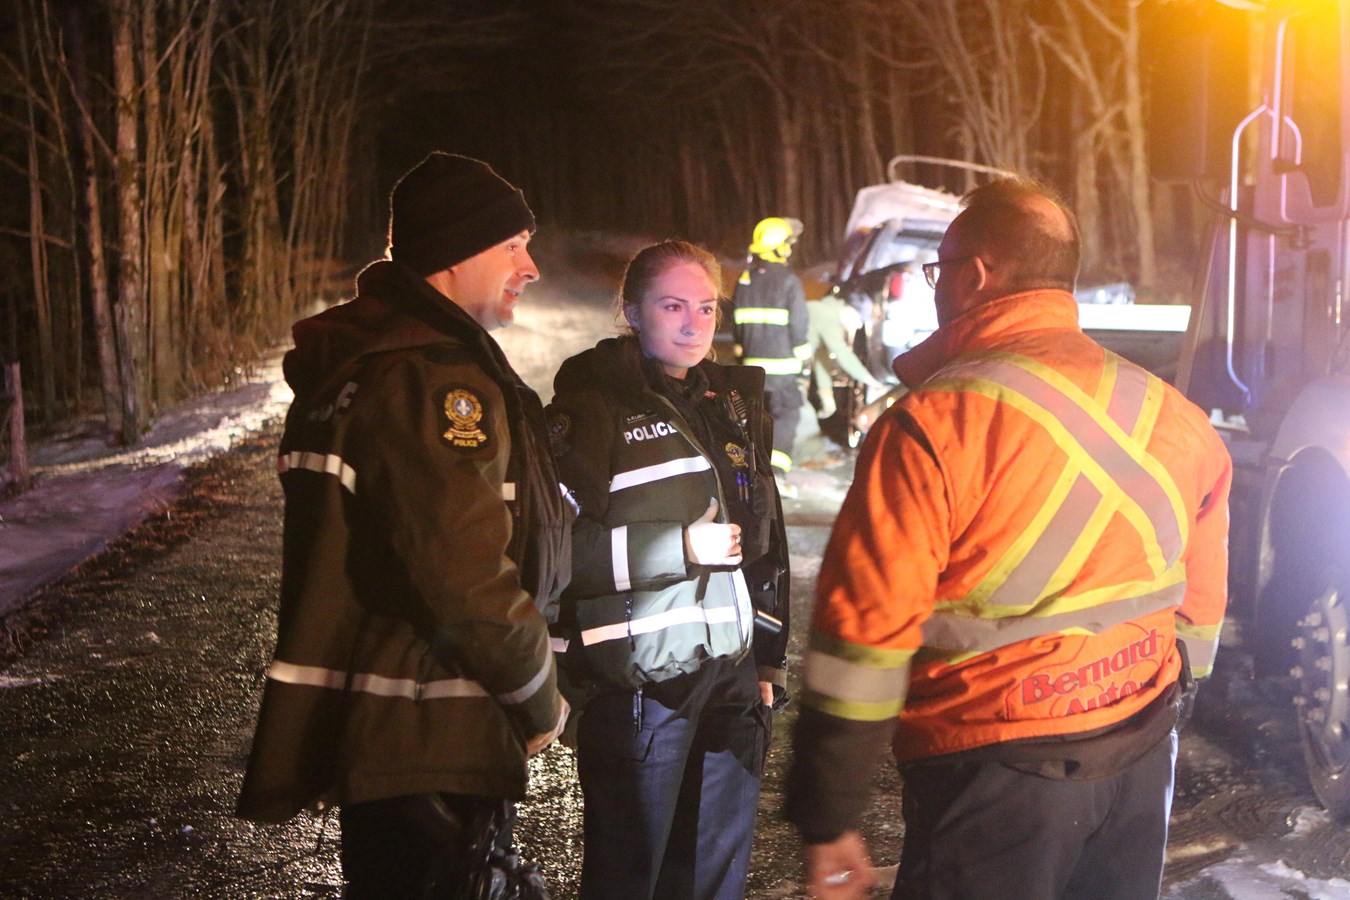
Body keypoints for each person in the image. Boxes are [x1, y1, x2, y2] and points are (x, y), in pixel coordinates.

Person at [785, 177, 1232, 900]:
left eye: (939, 271)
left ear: (975, 275)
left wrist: (829, 813)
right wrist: (1171, 682)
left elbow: (862, 639)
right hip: (1139, 750)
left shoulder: (932, 425)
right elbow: (1201, 587)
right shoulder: (1172, 411)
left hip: (995, 771)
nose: (938, 287)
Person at [236, 152, 570, 897]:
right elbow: (463, 571)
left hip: (396, 741)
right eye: (514, 244)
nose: (532, 266)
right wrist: (537, 693)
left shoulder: (374, 362)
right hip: (430, 737)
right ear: (457, 252)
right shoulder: (431, 379)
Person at [547, 240, 790, 899]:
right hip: (640, 690)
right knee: (630, 881)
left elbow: (767, 541)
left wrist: (767, 658)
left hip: (731, 683)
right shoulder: (591, 410)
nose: (692, 324)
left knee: (713, 884)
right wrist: (677, 548)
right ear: (632, 311)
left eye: (707, 308)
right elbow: (555, 554)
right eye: (672, 305)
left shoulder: (731, 405)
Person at [733, 216, 812, 497]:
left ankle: (752, 474)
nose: (790, 250)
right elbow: (799, 327)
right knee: (786, 417)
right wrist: (804, 363)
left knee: (755, 420)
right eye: (788, 245)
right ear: (779, 248)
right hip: (783, 370)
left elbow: (739, 326)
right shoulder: (789, 281)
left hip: (752, 369)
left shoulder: (745, 279)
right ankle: (776, 476)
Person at [805, 290, 886, 423]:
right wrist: (872, 382)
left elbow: (821, 358)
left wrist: (826, 396)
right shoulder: (826, 315)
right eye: (860, 319)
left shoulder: (829, 314)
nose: (860, 325)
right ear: (850, 310)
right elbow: (843, 355)